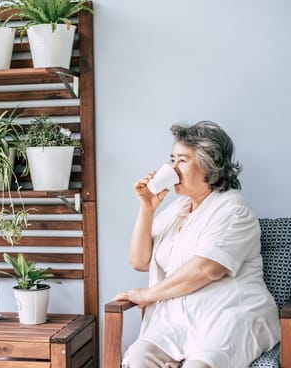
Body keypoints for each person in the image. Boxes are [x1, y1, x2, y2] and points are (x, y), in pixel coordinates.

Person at [114, 121, 279, 368]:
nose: (172, 168)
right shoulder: (177, 209)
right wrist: (146, 209)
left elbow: (206, 269)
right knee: (138, 358)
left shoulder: (234, 209)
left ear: (208, 165)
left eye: (182, 160)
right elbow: (139, 262)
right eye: (172, 159)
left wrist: (148, 295)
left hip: (228, 314)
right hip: (177, 319)